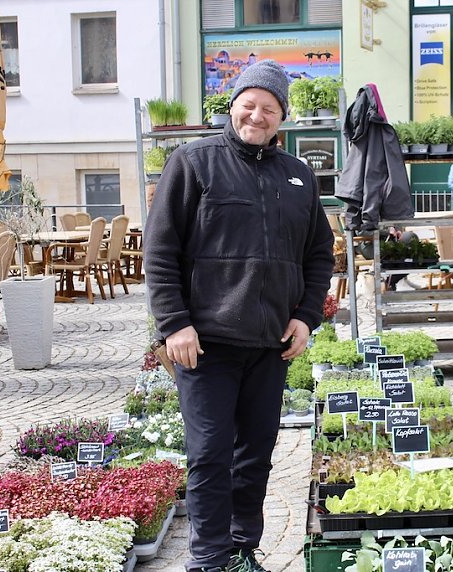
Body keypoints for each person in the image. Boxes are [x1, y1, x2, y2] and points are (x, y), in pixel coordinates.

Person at [143, 59, 334, 572]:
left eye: (269, 108)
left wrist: (306, 316)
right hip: (205, 343)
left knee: (255, 455)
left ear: (281, 118)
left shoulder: (297, 176)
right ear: (233, 107)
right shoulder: (194, 161)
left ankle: (242, 549)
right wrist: (174, 324)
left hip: (270, 344)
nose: (257, 115)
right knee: (209, 454)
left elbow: (319, 253)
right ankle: (207, 559)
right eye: (249, 105)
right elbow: (160, 250)